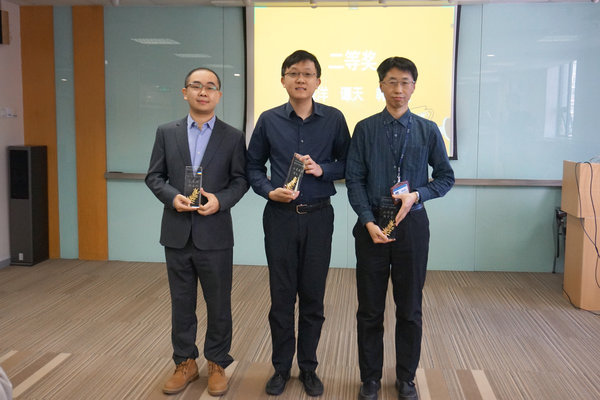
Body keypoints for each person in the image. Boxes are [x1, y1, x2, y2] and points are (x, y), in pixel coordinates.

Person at [345, 57, 454, 400]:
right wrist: (367, 220)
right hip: (372, 226)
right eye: (391, 81)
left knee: (409, 307)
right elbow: (354, 180)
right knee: (370, 309)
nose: (398, 89)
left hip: (412, 226)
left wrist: (417, 194)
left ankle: (406, 377)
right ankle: (370, 379)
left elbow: (445, 177)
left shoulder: (427, 129)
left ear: (414, 87)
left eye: (405, 82)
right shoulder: (365, 129)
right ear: (381, 86)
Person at [246, 50, 350, 397]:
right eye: (294, 73)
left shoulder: (334, 119)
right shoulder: (268, 119)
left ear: (318, 81)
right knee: (281, 297)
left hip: (319, 216)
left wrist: (324, 169)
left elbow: (349, 163)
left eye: (307, 74)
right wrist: (268, 191)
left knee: (313, 297)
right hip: (280, 218)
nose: (301, 79)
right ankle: (280, 368)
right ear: (283, 80)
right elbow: (252, 166)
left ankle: (308, 368)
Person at [146, 67, 248, 396]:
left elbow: (241, 180)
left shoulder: (233, 136)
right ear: (185, 92)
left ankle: (217, 362)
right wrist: (171, 197)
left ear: (219, 95)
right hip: (177, 232)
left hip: (215, 233)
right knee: (181, 302)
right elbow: (154, 176)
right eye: (196, 86)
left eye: (210, 87)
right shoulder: (166, 132)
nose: (203, 92)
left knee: (218, 303)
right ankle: (185, 362)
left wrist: (221, 201)